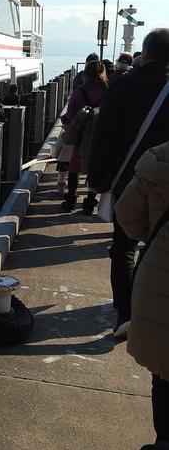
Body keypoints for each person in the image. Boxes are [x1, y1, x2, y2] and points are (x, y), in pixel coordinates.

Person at [88, 28, 169, 339]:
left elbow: (104, 136)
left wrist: (96, 180)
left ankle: (125, 313)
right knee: (157, 246)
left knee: (123, 246)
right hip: (167, 186)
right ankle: (151, 311)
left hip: (129, 180)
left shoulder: (124, 86)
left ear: (145, 53)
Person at [115, 140, 169, 441]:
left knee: (164, 376)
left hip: (161, 283)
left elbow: (127, 216)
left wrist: (156, 238)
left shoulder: (160, 158)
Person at [61, 59, 107, 212]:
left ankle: (70, 201)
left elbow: (69, 115)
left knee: (74, 169)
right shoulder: (108, 92)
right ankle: (89, 204)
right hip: (99, 138)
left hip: (79, 137)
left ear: (85, 75)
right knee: (94, 170)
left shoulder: (78, 93)